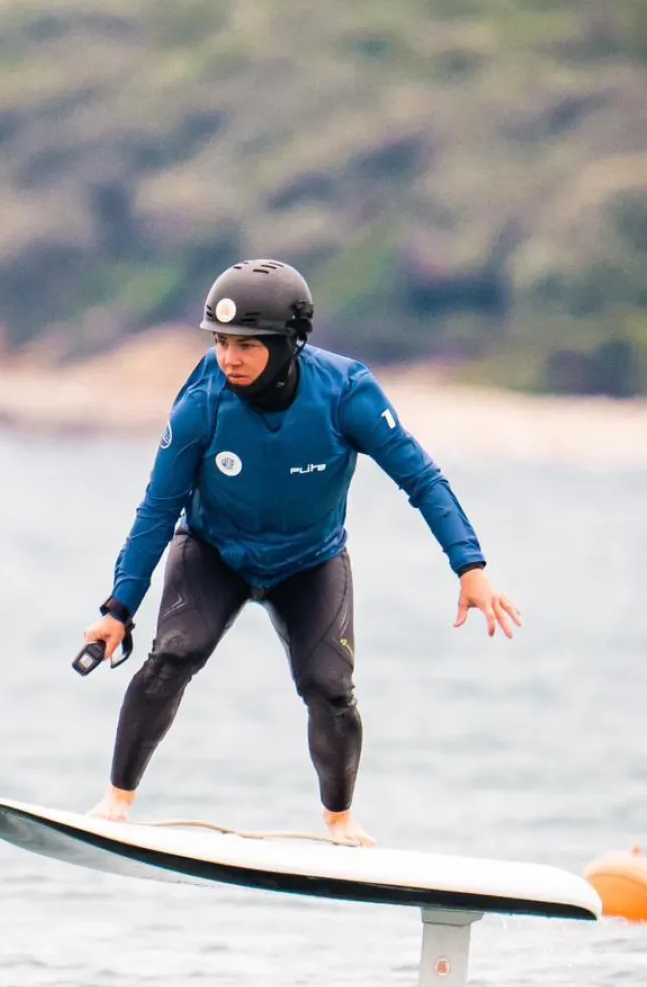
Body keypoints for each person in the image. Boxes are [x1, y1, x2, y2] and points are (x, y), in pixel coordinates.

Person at [81, 259, 520, 845]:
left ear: (290, 342)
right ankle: (116, 801)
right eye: (221, 342)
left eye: (247, 345)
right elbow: (158, 510)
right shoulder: (202, 402)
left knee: (330, 688)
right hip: (216, 551)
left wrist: (471, 566)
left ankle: (340, 820)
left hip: (310, 562)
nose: (229, 358)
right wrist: (118, 608)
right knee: (173, 656)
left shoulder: (347, 395)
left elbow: (423, 480)